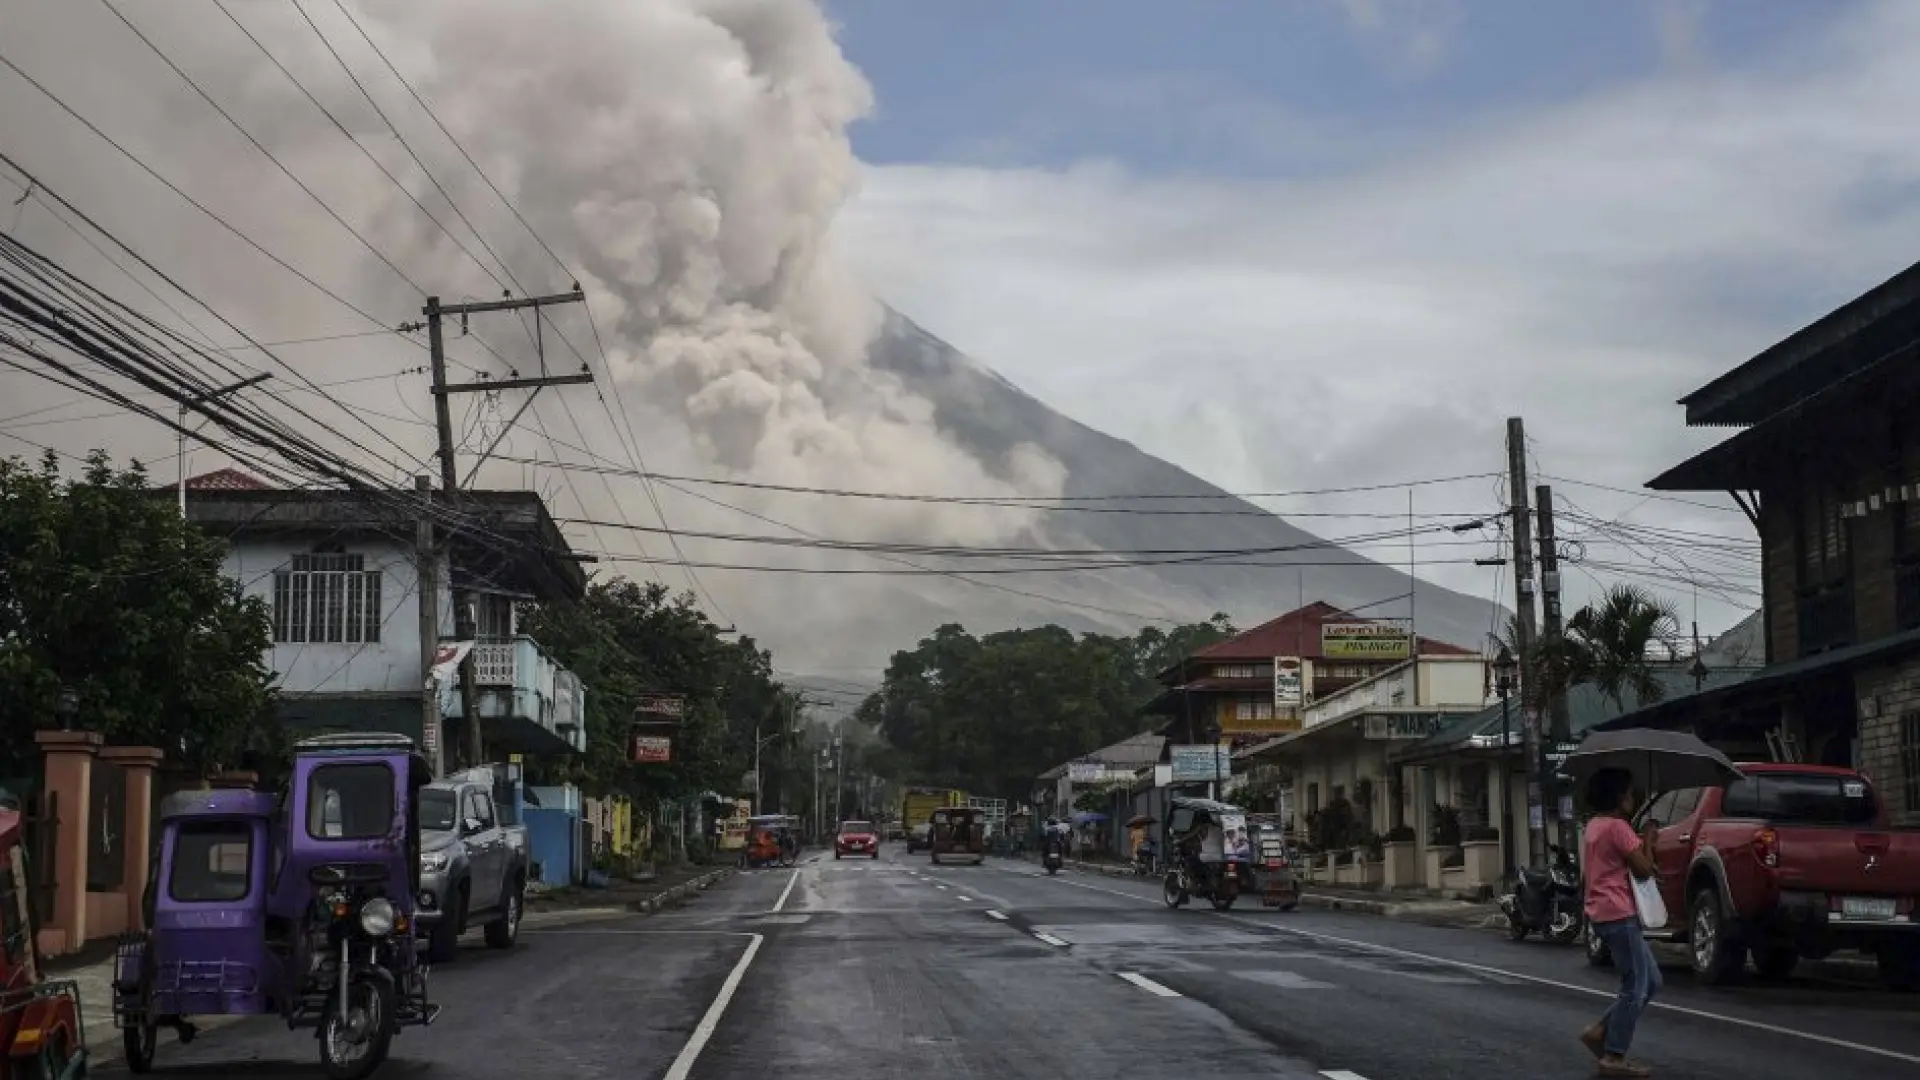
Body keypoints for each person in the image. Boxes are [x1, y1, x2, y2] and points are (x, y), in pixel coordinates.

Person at [1579, 767, 1662, 1077]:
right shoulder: (1617, 827)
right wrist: (1650, 840)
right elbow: (1644, 869)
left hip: (1601, 912)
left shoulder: (1594, 825)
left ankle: (1600, 1030)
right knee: (1635, 987)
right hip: (1619, 912)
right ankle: (1614, 1055)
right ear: (1617, 796)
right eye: (1628, 792)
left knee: (1651, 981)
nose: (1632, 797)